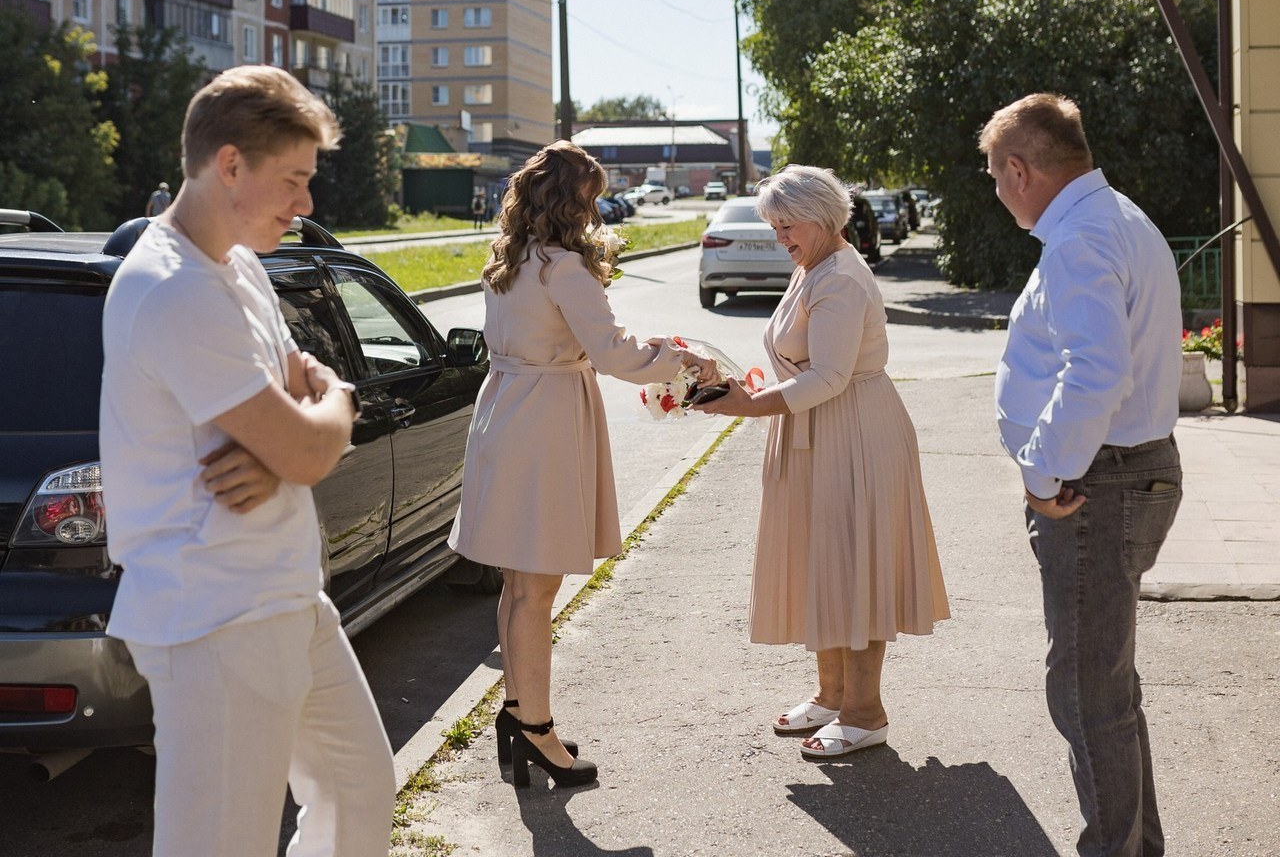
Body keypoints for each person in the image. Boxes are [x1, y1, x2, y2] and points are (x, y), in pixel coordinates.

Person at [99, 66, 396, 857]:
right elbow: (311, 424)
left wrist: (298, 437)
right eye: (293, 180)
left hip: (284, 596)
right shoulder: (172, 288)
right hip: (214, 615)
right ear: (229, 164)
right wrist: (311, 431)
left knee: (359, 790)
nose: (306, 205)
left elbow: (303, 407)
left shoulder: (239, 267)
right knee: (218, 844)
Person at [447, 141, 715, 789]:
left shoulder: (508, 262)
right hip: (542, 422)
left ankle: (520, 714)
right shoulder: (565, 266)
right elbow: (615, 353)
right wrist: (683, 360)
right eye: (592, 198)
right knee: (536, 592)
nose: (596, 210)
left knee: (519, 587)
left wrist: (646, 348)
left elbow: (594, 344)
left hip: (506, 412)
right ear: (573, 201)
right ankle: (535, 728)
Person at [980, 93, 1183, 857]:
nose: (998, 193)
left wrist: (1042, 473)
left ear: (1021, 169)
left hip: (1096, 485)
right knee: (1108, 692)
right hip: (1123, 475)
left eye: (995, 177)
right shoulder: (1115, 219)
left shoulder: (1080, 240)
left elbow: (1095, 373)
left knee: (1086, 695)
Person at [694, 164, 949, 759]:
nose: (778, 236)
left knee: (855, 567)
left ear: (824, 216)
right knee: (823, 564)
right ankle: (833, 695)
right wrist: (742, 384)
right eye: (773, 225)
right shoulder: (814, 266)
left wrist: (750, 405)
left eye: (786, 224)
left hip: (853, 432)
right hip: (819, 431)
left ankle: (866, 713)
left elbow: (831, 375)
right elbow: (799, 359)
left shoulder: (838, 278)